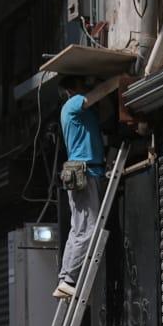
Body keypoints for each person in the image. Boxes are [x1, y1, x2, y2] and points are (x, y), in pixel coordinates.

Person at [55, 75, 107, 299]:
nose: (85, 89)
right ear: (71, 89)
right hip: (86, 171)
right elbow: (93, 97)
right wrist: (116, 80)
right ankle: (69, 279)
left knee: (77, 229)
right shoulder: (72, 104)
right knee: (90, 228)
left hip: (83, 171)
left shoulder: (81, 114)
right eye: (81, 85)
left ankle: (65, 278)